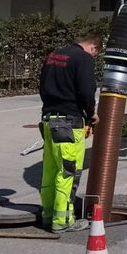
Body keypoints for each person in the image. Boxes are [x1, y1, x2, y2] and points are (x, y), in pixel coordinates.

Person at [38, 33, 101, 232]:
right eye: (96, 54)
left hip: (48, 121)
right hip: (68, 123)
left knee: (50, 171)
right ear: (94, 48)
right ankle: (63, 221)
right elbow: (86, 90)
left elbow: (42, 85)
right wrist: (91, 113)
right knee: (68, 173)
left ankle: (48, 215)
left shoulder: (55, 54)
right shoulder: (83, 58)